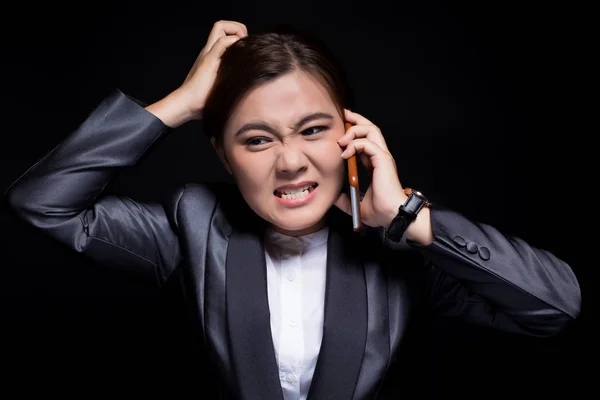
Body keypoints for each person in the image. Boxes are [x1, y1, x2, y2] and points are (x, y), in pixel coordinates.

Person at [4, 20, 581, 400]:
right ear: (224, 156)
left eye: (313, 129)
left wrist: (410, 218)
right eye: (256, 140)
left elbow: (556, 306)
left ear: (351, 132)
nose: (291, 162)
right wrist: (177, 105)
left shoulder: (398, 245)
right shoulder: (193, 224)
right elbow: (43, 203)